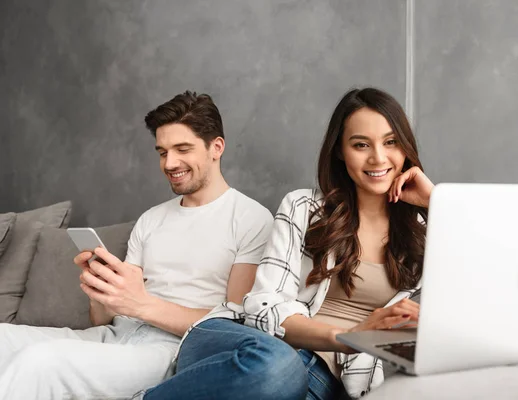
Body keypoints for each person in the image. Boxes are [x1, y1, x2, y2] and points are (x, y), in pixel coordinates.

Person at [141, 87, 432, 400]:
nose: (377, 157)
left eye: (390, 142)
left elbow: (482, 299)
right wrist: (348, 337)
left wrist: (436, 202)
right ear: (339, 151)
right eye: (361, 144)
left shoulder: (425, 230)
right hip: (250, 346)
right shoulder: (304, 207)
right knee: (280, 367)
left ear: (404, 148)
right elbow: (264, 307)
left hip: (329, 382)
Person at [0, 91, 273, 399]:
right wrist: (100, 289)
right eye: (162, 152)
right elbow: (103, 318)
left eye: (183, 149)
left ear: (216, 148)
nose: (170, 163)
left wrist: (142, 305)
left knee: (42, 363)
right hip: (115, 336)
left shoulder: (251, 219)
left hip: (172, 350)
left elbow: (238, 323)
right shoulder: (151, 219)